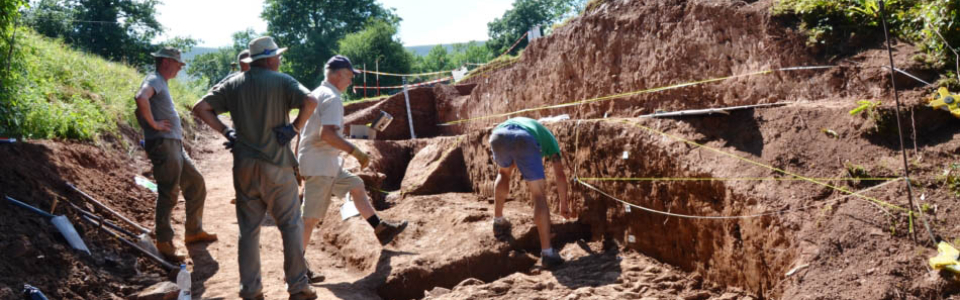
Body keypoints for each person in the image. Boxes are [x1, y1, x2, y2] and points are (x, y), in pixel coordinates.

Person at [192, 36, 318, 300]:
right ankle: (298, 287)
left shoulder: (234, 83)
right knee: (291, 225)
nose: (280, 60)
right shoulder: (283, 81)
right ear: (271, 59)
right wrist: (294, 128)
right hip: (278, 167)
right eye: (278, 57)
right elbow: (311, 101)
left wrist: (227, 131)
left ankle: (251, 290)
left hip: (245, 169)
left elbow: (201, 108)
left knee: (248, 231)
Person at [298, 55, 408, 257]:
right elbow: (327, 134)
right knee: (309, 220)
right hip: (320, 166)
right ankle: (295, 268)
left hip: (324, 163)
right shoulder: (331, 99)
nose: (350, 81)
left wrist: (299, 161)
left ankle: (380, 229)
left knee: (356, 186)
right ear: (338, 74)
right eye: (349, 76)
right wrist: (355, 152)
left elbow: (303, 130)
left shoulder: (317, 94)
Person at [134, 47, 217, 262]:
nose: (179, 69)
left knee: (196, 183)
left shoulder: (161, 81)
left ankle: (193, 231)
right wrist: (153, 124)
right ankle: (164, 241)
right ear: (165, 62)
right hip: (164, 144)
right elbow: (140, 98)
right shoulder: (154, 79)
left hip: (173, 145)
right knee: (169, 191)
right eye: (178, 65)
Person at [489, 117, 572, 268]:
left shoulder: (532, 127)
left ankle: (498, 221)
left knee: (503, 173)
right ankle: (547, 253)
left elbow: (513, 157)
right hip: (523, 138)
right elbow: (560, 175)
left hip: (498, 135)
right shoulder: (551, 141)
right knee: (538, 194)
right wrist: (564, 205)